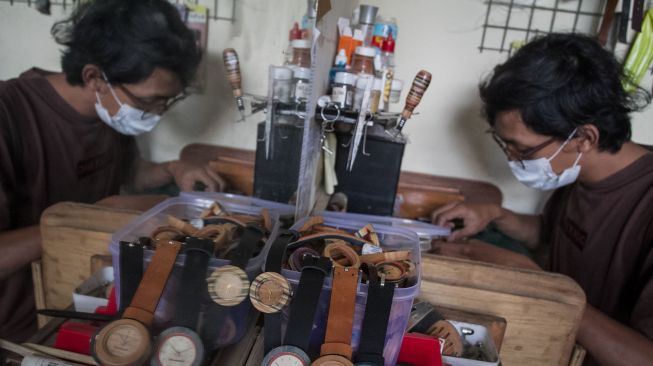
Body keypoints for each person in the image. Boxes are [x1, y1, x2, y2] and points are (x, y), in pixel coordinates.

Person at [0, 0, 225, 341]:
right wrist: (89, 217)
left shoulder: (109, 110)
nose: (159, 114)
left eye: (168, 102)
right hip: (28, 328)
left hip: (97, 301)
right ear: (95, 77)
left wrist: (173, 168)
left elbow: (125, 172)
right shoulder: (10, 116)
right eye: (150, 102)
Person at [431, 33, 653, 365]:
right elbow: (557, 235)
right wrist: (496, 214)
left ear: (583, 137)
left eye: (522, 148)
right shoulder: (576, 169)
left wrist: (543, 287)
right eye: (504, 144)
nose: (512, 158)